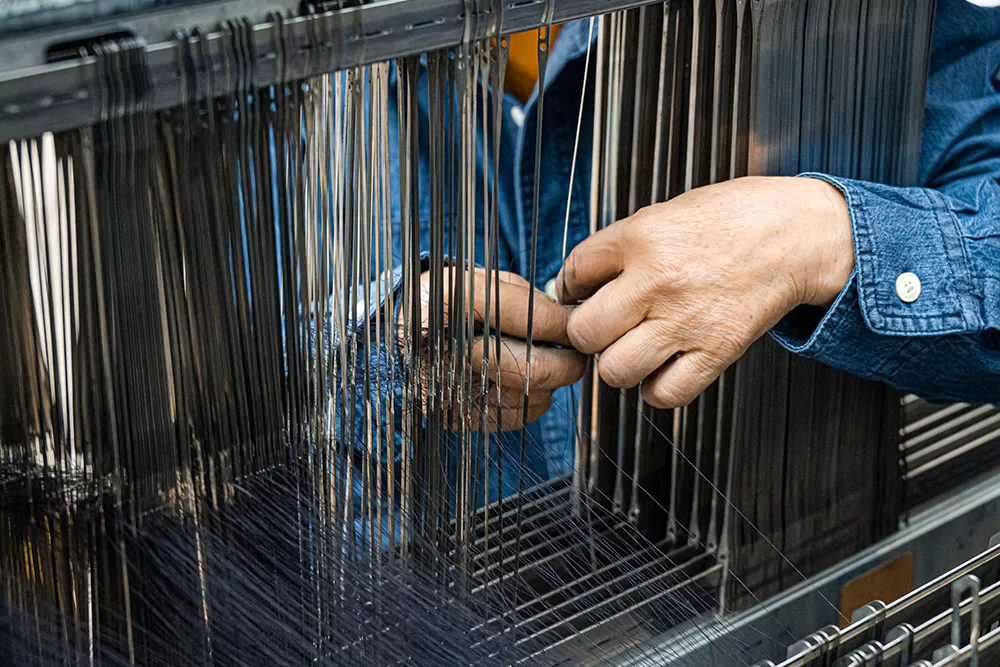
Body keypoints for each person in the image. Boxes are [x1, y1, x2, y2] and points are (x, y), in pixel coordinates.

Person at [351, 0, 1000, 507]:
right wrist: (378, 337)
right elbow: (274, 344)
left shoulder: (926, 32)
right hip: (470, 547)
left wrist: (826, 237)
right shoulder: (352, 63)